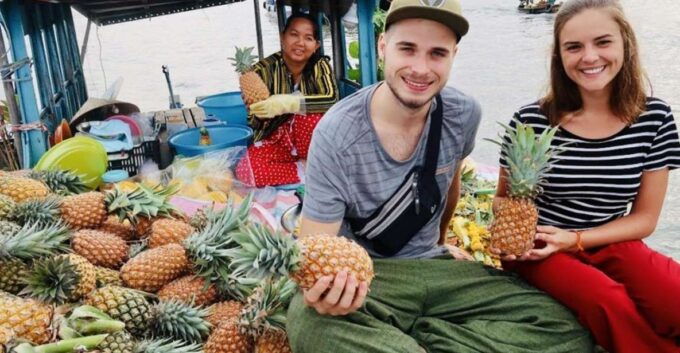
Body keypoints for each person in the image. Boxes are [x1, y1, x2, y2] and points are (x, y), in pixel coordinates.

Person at [285, 0, 593, 352]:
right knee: (309, 321)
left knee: (563, 327)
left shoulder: (463, 113)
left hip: (438, 271)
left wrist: (440, 244)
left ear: (453, 56)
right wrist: (325, 293)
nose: (420, 68)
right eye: (408, 49)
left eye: (436, 53)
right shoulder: (336, 134)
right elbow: (313, 250)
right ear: (383, 46)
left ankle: (416, 338)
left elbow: (449, 186)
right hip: (370, 278)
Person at [493, 0, 680, 352]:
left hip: (610, 238)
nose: (589, 57)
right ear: (559, 56)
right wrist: (516, 235)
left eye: (603, 42)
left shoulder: (654, 117)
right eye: (574, 47)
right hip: (540, 246)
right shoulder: (531, 120)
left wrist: (576, 238)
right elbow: (503, 198)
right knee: (609, 302)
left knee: (674, 297)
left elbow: (645, 219)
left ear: (626, 43)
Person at [235, 13, 338, 187]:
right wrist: (259, 111)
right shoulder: (261, 71)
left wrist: (288, 103)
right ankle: (305, 170)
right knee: (246, 170)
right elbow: (255, 124)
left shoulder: (320, 66)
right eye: (294, 35)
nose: (300, 43)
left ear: (316, 45)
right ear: (282, 38)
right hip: (279, 139)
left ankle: (313, 163)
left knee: (309, 112)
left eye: (308, 38)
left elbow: (332, 99)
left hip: (314, 142)